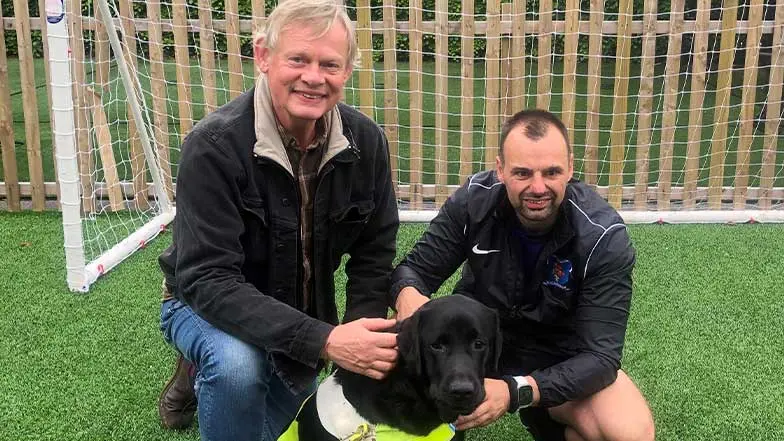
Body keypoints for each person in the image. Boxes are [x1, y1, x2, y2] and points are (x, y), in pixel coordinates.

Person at [156, 1, 400, 440]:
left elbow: (375, 252)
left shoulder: (367, 142)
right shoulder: (212, 146)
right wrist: (326, 341)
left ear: (347, 72)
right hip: (199, 302)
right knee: (237, 368)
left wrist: (361, 341)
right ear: (264, 57)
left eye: (330, 64)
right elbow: (209, 279)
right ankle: (205, 355)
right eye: (298, 59)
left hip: (299, 309)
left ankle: (200, 367)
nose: (313, 77)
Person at [390, 109, 655, 441]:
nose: (538, 187)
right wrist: (409, 296)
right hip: (475, 345)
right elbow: (413, 270)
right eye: (523, 173)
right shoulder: (474, 202)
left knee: (628, 433)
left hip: (557, 357)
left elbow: (601, 358)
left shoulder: (603, 236)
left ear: (570, 168)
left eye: (552, 172)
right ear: (500, 169)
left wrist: (517, 392)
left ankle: (549, 419)